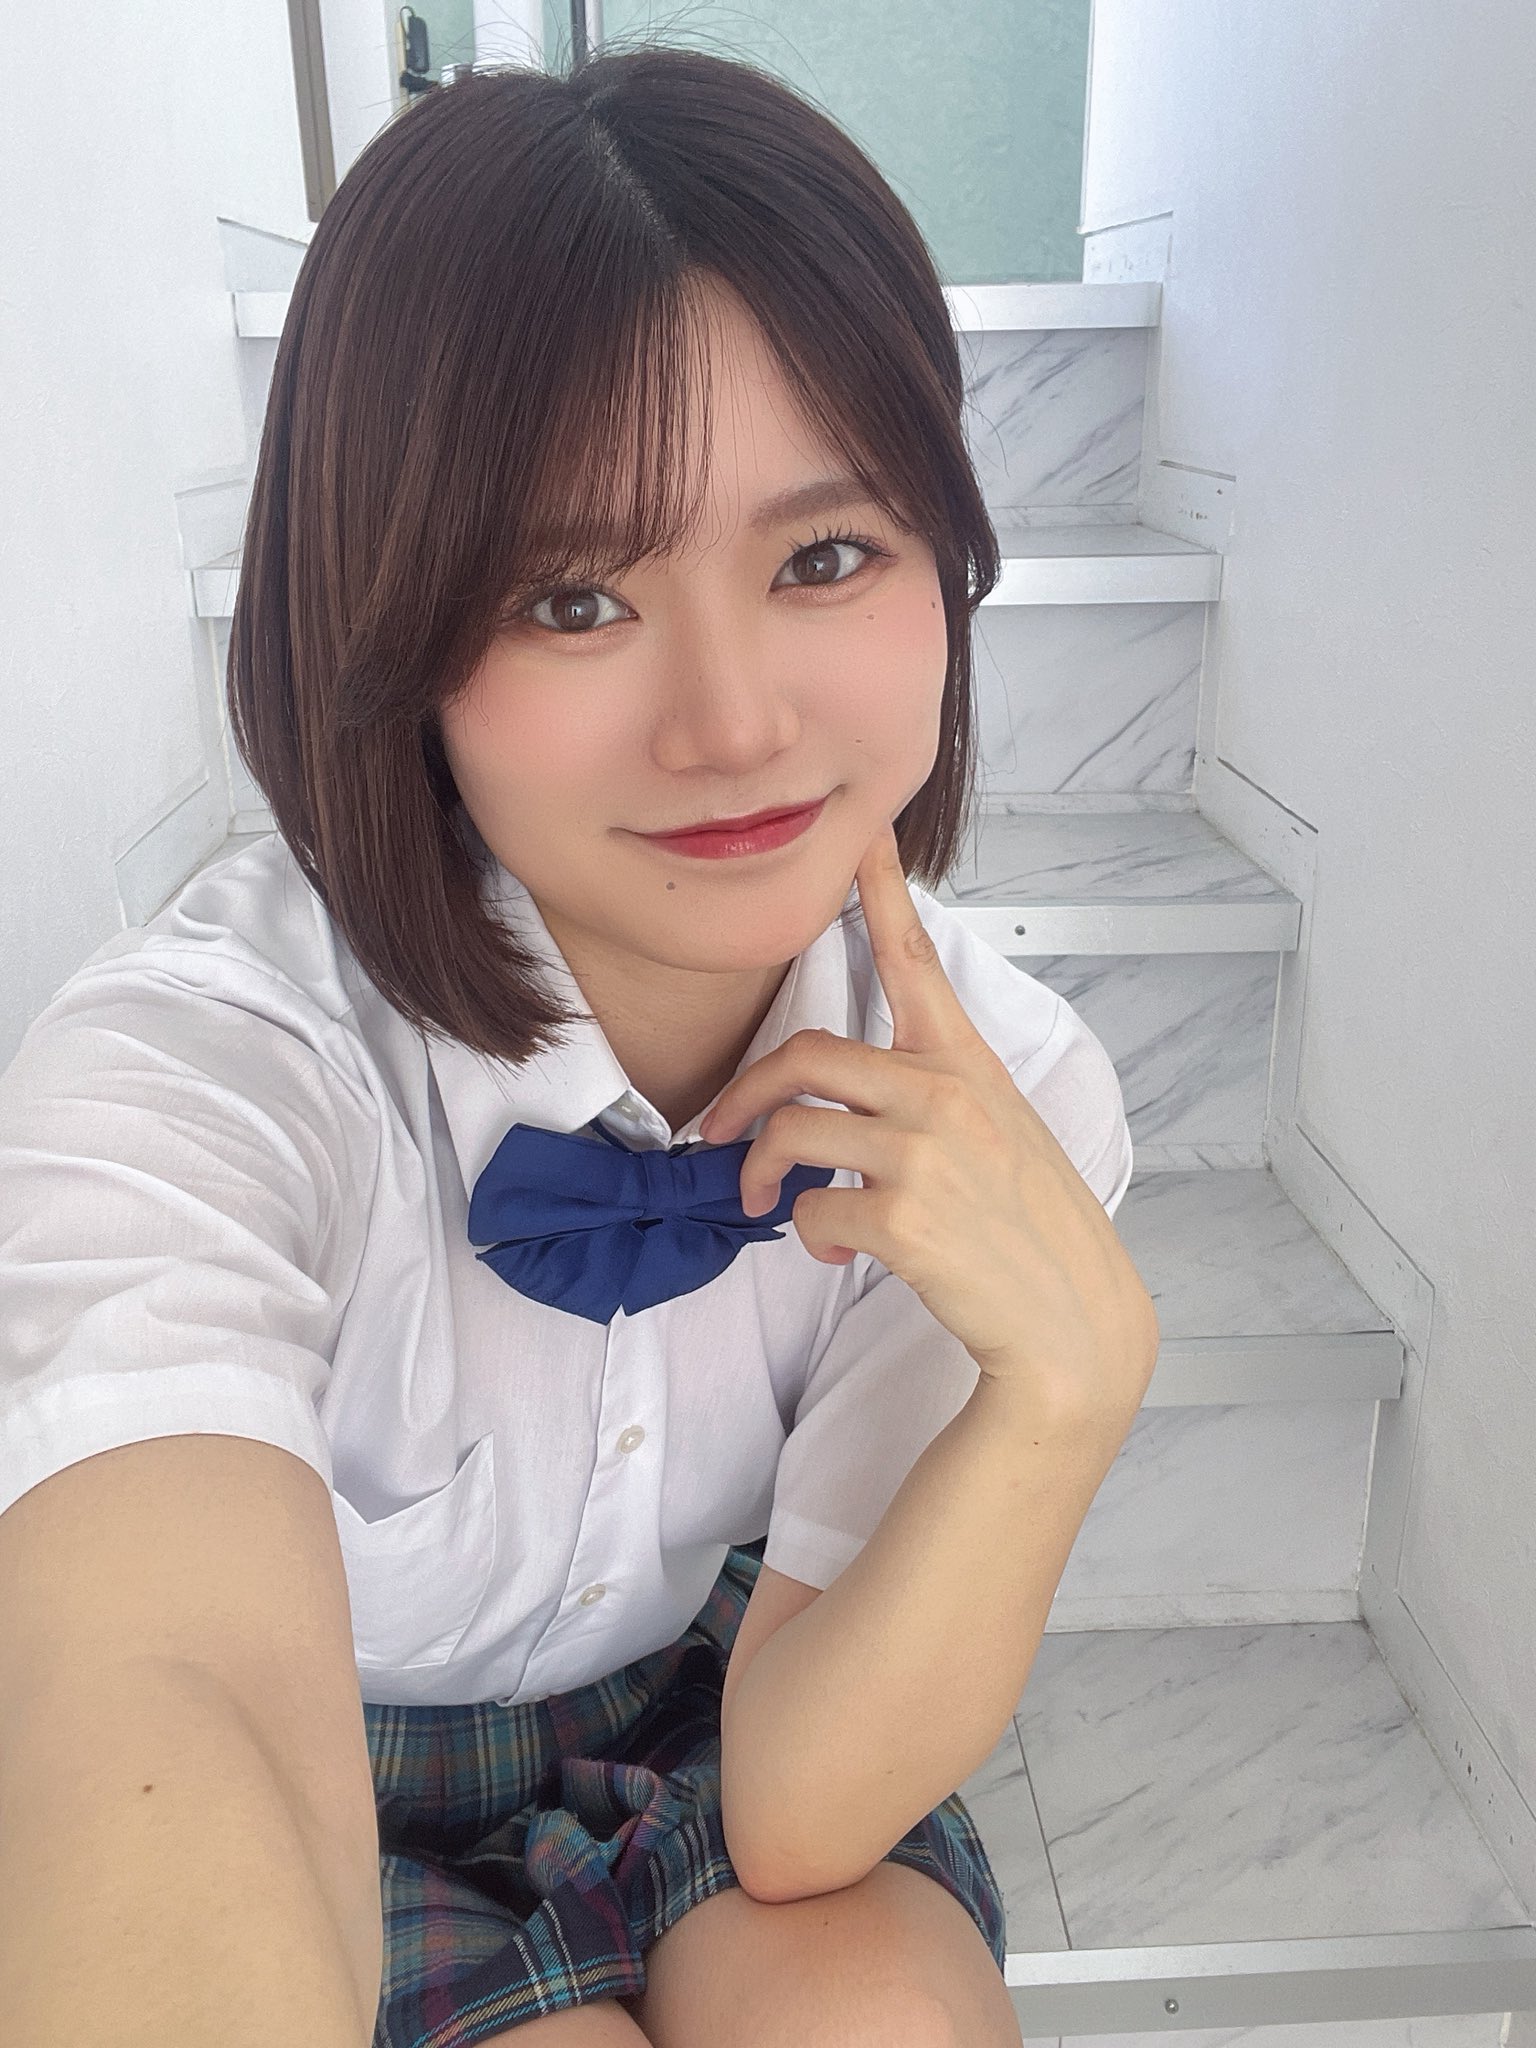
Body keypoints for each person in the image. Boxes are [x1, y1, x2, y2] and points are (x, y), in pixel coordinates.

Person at [0, 44, 1145, 2048]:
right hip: (329, 1742)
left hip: (707, 1699)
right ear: (382, 628)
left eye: (824, 557)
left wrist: (1070, 1383)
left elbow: (798, 1807)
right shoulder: (202, 1076)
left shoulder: (1002, 1092)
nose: (735, 725)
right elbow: (162, 1702)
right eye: (574, 595)